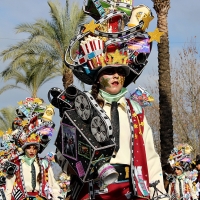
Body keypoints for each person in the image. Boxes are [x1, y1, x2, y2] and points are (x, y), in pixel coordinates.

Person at [4, 133, 62, 200]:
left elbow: (53, 185)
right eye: (29, 148)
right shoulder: (16, 164)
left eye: (34, 148)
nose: (32, 151)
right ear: (24, 149)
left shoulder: (44, 163)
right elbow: (8, 188)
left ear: (37, 150)